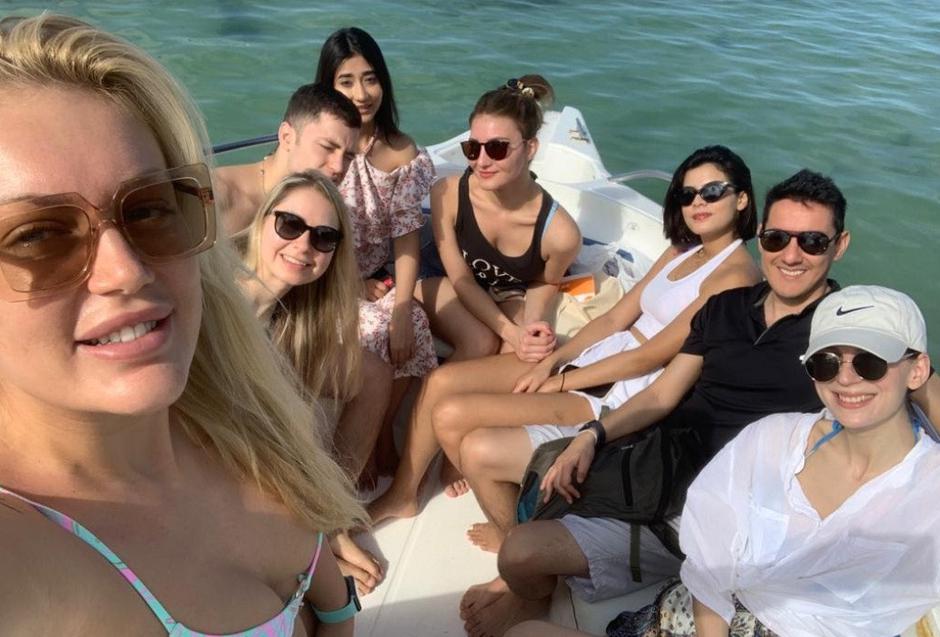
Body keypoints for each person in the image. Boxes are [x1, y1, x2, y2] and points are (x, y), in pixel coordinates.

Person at [0, 13, 362, 635]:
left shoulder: (243, 414)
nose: (125, 270)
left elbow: (325, 592)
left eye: (150, 209)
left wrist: (337, 612)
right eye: (37, 236)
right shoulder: (24, 555)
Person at [470, 170, 939, 637]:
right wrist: (593, 436)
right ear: (761, 236)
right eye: (777, 239)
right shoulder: (725, 307)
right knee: (482, 452)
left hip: (701, 515)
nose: (791, 255)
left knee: (521, 552)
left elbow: (911, 376)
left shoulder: (839, 336)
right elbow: (662, 394)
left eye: (813, 242)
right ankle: (533, 572)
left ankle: (529, 587)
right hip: (650, 458)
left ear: (840, 245)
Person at [368, 145, 762, 536]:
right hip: (594, 359)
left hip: (617, 391)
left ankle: (513, 531)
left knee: (450, 416)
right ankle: (406, 492)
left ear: (742, 199)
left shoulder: (735, 276)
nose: (697, 203)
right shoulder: (681, 251)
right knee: (442, 382)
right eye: (687, 194)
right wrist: (552, 362)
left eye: (712, 192)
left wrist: (559, 381)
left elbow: (649, 357)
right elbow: (613, 318)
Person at [511, 286, 939, 637]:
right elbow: (708, 568)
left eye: (870, 362)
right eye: (826, 362)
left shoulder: (928, 492)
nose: (845, 378)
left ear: (917, 371)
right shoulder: (773, 439)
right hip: (695, 621)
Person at [236, 170, 390, 594]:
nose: (304, 245)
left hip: (250, 455)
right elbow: (248, 445)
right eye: (290, 225)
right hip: (206, 469)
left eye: (324, 237)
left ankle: (331, 515)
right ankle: (318, 534)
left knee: (371, 373)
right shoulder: (224, 308)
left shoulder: (288, 317)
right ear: (263, 221)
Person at [315, 27, 438, 474]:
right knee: (371, 331)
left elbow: (406, 236)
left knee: (412, 325)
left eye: (370, 79)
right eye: (346, 81)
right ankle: (358, 447)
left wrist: (402, 305)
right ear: (328, 85)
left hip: (373, 279)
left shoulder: (402, 152)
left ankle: (381, 432)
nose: (362, 93)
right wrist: (349, 282)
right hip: (321, 277)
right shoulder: (320, 148)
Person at [416, 75, 582, 362]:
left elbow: (544, 282)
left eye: (497, 148)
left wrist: (529, 326)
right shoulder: (448, 193)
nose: (481, 161)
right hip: (441, 279)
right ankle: (427, 392)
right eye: (473, 148)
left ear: (530, 148)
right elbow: (461, 277)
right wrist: (509, 331)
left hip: (507, 292)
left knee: (520, 354)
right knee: (480, 342)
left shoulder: (560, 235)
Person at [213, 82, 361, 235]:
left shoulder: (327, 213)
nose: (339, 167)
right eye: (327, 147)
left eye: (348, 156)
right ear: (287, 137)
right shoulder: (219, 195)